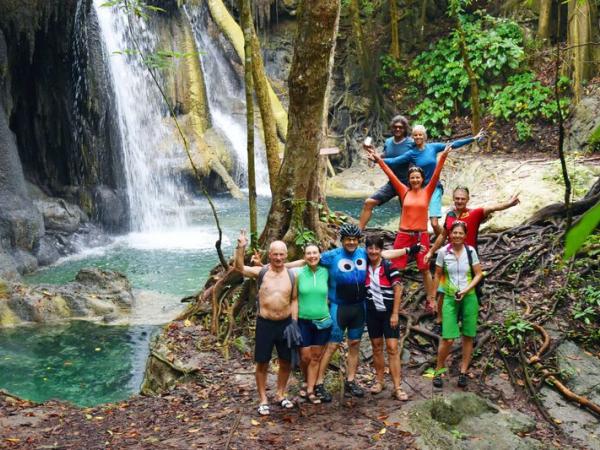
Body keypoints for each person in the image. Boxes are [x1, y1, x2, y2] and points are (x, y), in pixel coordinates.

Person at [309, 224, 421, 402]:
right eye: (348, 239)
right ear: (342, 239)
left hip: (359, 308)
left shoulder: (364, 253)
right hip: (339, 307)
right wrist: (274, 266)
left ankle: (351, 380)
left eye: (354, 239)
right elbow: (309, 260)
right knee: (332, 346)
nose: (351, 242)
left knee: (355, 343)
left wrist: (408, 250)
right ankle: (319, 383)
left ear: (358, 240)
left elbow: (386, 254)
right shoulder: (332, 256)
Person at [366, 144, 452, 312]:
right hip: (403, 235)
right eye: (412, 177)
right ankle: (393, 297)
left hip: (421, 236)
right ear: (409, 179)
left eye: (417, 177)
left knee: (424, 268)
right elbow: (390, 173)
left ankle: (430, 300)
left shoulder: (428, 191)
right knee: (396, 267)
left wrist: (443, 156)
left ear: (421, 178)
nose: (415, 180)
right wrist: (378, 159)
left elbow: (436, 173)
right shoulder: (403, 190)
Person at [424, 186, 520, 332]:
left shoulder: (474, 213)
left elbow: (492, 208)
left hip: (469, 259)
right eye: (457, 198)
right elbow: (443, 235)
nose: (459, 201)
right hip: (450, 257)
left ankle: (468, 322)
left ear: (468, 200)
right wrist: (431, 251)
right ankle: (440, 321)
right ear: (453, 199)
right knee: (444, 290)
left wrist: (509, 203)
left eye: (463, 199)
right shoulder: (450, 215)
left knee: (471, 291)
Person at [234, 229, 296, 416]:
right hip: (265, 324)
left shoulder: (292, 274)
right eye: (275, 254)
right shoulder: (261, 272)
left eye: (281, 254)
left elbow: (294, 299)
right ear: (269, 255)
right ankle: (263, 399)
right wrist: (241, 247)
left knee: (286, 361)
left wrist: (294, 321)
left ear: (286, 255)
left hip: (285, 324)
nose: (278, 257)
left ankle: (280, 394)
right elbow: (239, 269)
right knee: (262, 362)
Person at [382, 125, 484, 235]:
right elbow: (394, 161)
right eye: (415, 135)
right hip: (421, 190)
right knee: (418, 221)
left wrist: (473, 138)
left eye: (420, 134)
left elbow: (453, 145)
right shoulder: (411, 153)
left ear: (424, 136)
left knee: (434, 223)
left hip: (434, 187)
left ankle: (448, 239)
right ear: (413, 137)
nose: (418, 137)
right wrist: (377, 159)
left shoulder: (433, 147)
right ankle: (420, 243)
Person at [432, 221, 483, 388]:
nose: (457, 236)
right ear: (450, 234)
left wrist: (466, 289)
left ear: (465, 235)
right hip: (449, 298)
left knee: (468, 336)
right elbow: (438, 275)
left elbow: (478, 274)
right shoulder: (442, 252)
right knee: (448, 338)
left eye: (461, 233)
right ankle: (438, 370)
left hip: (469, 297)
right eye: (454, 233)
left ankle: (463, 372)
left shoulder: (470, 251)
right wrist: (432, 298)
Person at [365, 235, 411, 401]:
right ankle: (379, 381)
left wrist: (395, 313)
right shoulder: (364, 265)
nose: (373, 251)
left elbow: (398, 288)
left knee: (392, 348)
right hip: (372, 313)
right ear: (366, 250)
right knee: (376, 347)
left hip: (388, 314)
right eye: (370, 248)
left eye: (377, 248)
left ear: (381, 250)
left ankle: (397, 387)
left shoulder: (388, 266)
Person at [358, 115, 415, 229]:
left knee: (407, 210)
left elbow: (417, 159)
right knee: (369, 202)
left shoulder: (411, 143)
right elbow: (383, 156)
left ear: (405, 129)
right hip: (393, 182)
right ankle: (358, 232)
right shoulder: (388, 142)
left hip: (408, 183)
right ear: (391, 128)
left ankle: (405, 236)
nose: (397, 129)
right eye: (395, 127)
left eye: (400, 127)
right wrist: (372, 153)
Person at [292, 243, 331, 405]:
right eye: (309, 253)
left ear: (320, 255)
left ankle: (310, 389)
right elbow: (294, 299)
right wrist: (293, 321)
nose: (312, 256)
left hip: (323, 321)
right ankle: (307, 379)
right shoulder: (298, 274)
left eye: (315, 253)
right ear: (304, 256)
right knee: (305, 356)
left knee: (315, 357)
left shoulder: (327, 272)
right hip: (303, 321)